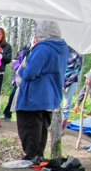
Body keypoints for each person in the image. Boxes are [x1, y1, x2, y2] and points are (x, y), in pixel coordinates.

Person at [15, 21, 68, 161]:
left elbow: (31, 72)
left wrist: (21, 69)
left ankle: (32, 157)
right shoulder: (62, 47)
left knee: (29, 127)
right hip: (49, 96)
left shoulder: (44, 47)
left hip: (34, 96)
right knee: (41, 128)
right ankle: (38, 156)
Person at [2, 45, 30, 120]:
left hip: (30, 79)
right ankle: (7, 114)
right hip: (20, 77)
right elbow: (15, 60)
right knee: (12, 95)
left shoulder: (38, 51)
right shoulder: (25, 49)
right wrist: (20, 69)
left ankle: (25, 117)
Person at [62, 47, 83, 130]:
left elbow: (76, 72)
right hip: (60, 79)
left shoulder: (77, 54)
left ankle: (62, 127)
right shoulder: (62, 50)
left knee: (66, 104)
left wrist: (65, 84)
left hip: (72, 81)